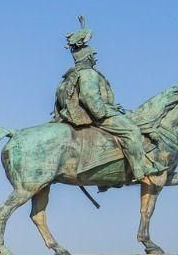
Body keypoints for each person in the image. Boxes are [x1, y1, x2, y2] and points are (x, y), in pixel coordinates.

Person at [52, 17, 152, 179]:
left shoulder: (68, 77)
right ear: (88, 57)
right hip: (93, 116)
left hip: (70, 116)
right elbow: (91, 100)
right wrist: (107, 112)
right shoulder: (88, 74)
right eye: (93, 55)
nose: (95, 57)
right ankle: (140, 171)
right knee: (132, 131)